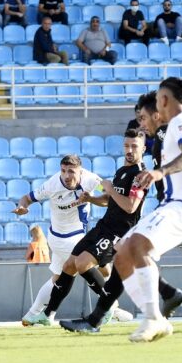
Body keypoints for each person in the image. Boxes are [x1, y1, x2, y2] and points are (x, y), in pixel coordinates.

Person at [74, 77, 182, 342]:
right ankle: (157, 309)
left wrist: (160, 172)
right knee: (124, 251)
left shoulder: (181, 122)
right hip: (177, 204)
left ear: (164, 101)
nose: (142, 122)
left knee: (132, 244)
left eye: (144, 116)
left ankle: (153, 315)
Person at [26, 129, 149, 327]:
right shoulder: (121, 171)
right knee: (69, 265)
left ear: (143, 148)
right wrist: (91, 198)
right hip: (103, 226)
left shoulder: (140, 176)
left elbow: (130, 206)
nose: (129, 150)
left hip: (118, 232)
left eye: (134, 146)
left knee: (83, 264)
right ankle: (47, 315)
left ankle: (107, 308)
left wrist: (108, 189)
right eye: (126, 145)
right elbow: (109, 201)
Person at [12, 155, 101, 326]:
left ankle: (34, 315)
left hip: (75, 236)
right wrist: (22, 207)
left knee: (58, 278)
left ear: (80, 171)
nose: (66, 175)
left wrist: (94, 198)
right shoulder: (53, 184)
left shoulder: (90, 179)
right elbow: (27, 198)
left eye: (71, 171)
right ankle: (111, 307)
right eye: (63, 171)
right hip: (63, 239)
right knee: (96, 266)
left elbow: (108, 193)